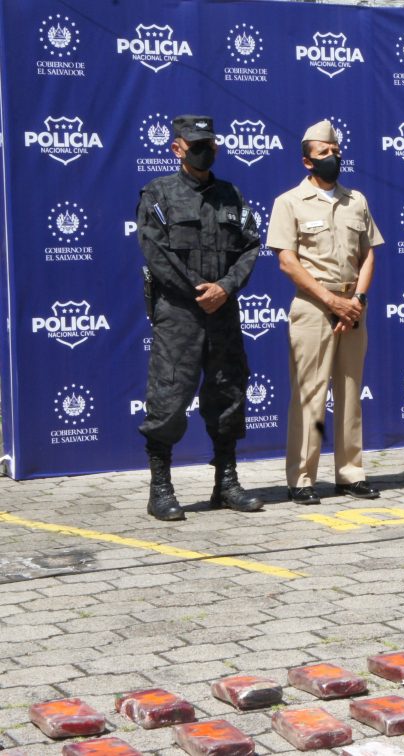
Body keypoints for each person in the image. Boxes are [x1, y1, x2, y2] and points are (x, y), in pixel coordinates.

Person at [136, 115, 264, 521]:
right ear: (177, 148)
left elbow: (251, 245)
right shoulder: (158, 194)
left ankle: (226, 483)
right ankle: (160, 489)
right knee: (169, 398)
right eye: (195, 145)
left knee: (228, 394)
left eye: (209, 144)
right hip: (179, 315)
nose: (203, 150)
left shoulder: (230, 195)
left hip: (223, 313)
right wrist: (200, 291)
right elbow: (156, 252)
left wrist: (225, 287)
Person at [267, 119, 383, 506]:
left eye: (335, 151)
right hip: (314, 306)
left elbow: (368, 254)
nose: (332, 157)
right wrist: (331, 301)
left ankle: (351, 473)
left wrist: (358, 300)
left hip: (353, 307)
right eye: (324, 153)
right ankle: (302, 478)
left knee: (350, 392)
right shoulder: (289, 202)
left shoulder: (356, 200)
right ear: (307, 161)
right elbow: (287, 261)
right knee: (311, 394)